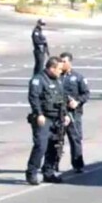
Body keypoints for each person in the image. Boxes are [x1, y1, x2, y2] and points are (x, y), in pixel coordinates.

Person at [25, 56, 71, 185]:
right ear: (51, 68)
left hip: (57, 118)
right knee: (41, 146)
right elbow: (34, 98)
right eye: (59, 69)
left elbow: (61, 98)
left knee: (54, 147)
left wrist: (66, 114)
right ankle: (31, 172)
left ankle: (48, 172)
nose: (61, 72)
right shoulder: (38, 80)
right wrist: (39, 114)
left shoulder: (58, 80)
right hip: (44, 118)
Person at [60, 52, 90, 173]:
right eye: (60, 61)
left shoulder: (78, 77)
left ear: (70, 62)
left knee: (75, 138)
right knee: (56, 140)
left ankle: (78, 164)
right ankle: (53, 164)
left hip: (74, 113)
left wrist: (77, 102)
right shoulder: (57, 76)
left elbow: (86, 94)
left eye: (64, 61)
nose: (62, 64)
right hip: (59, 112)